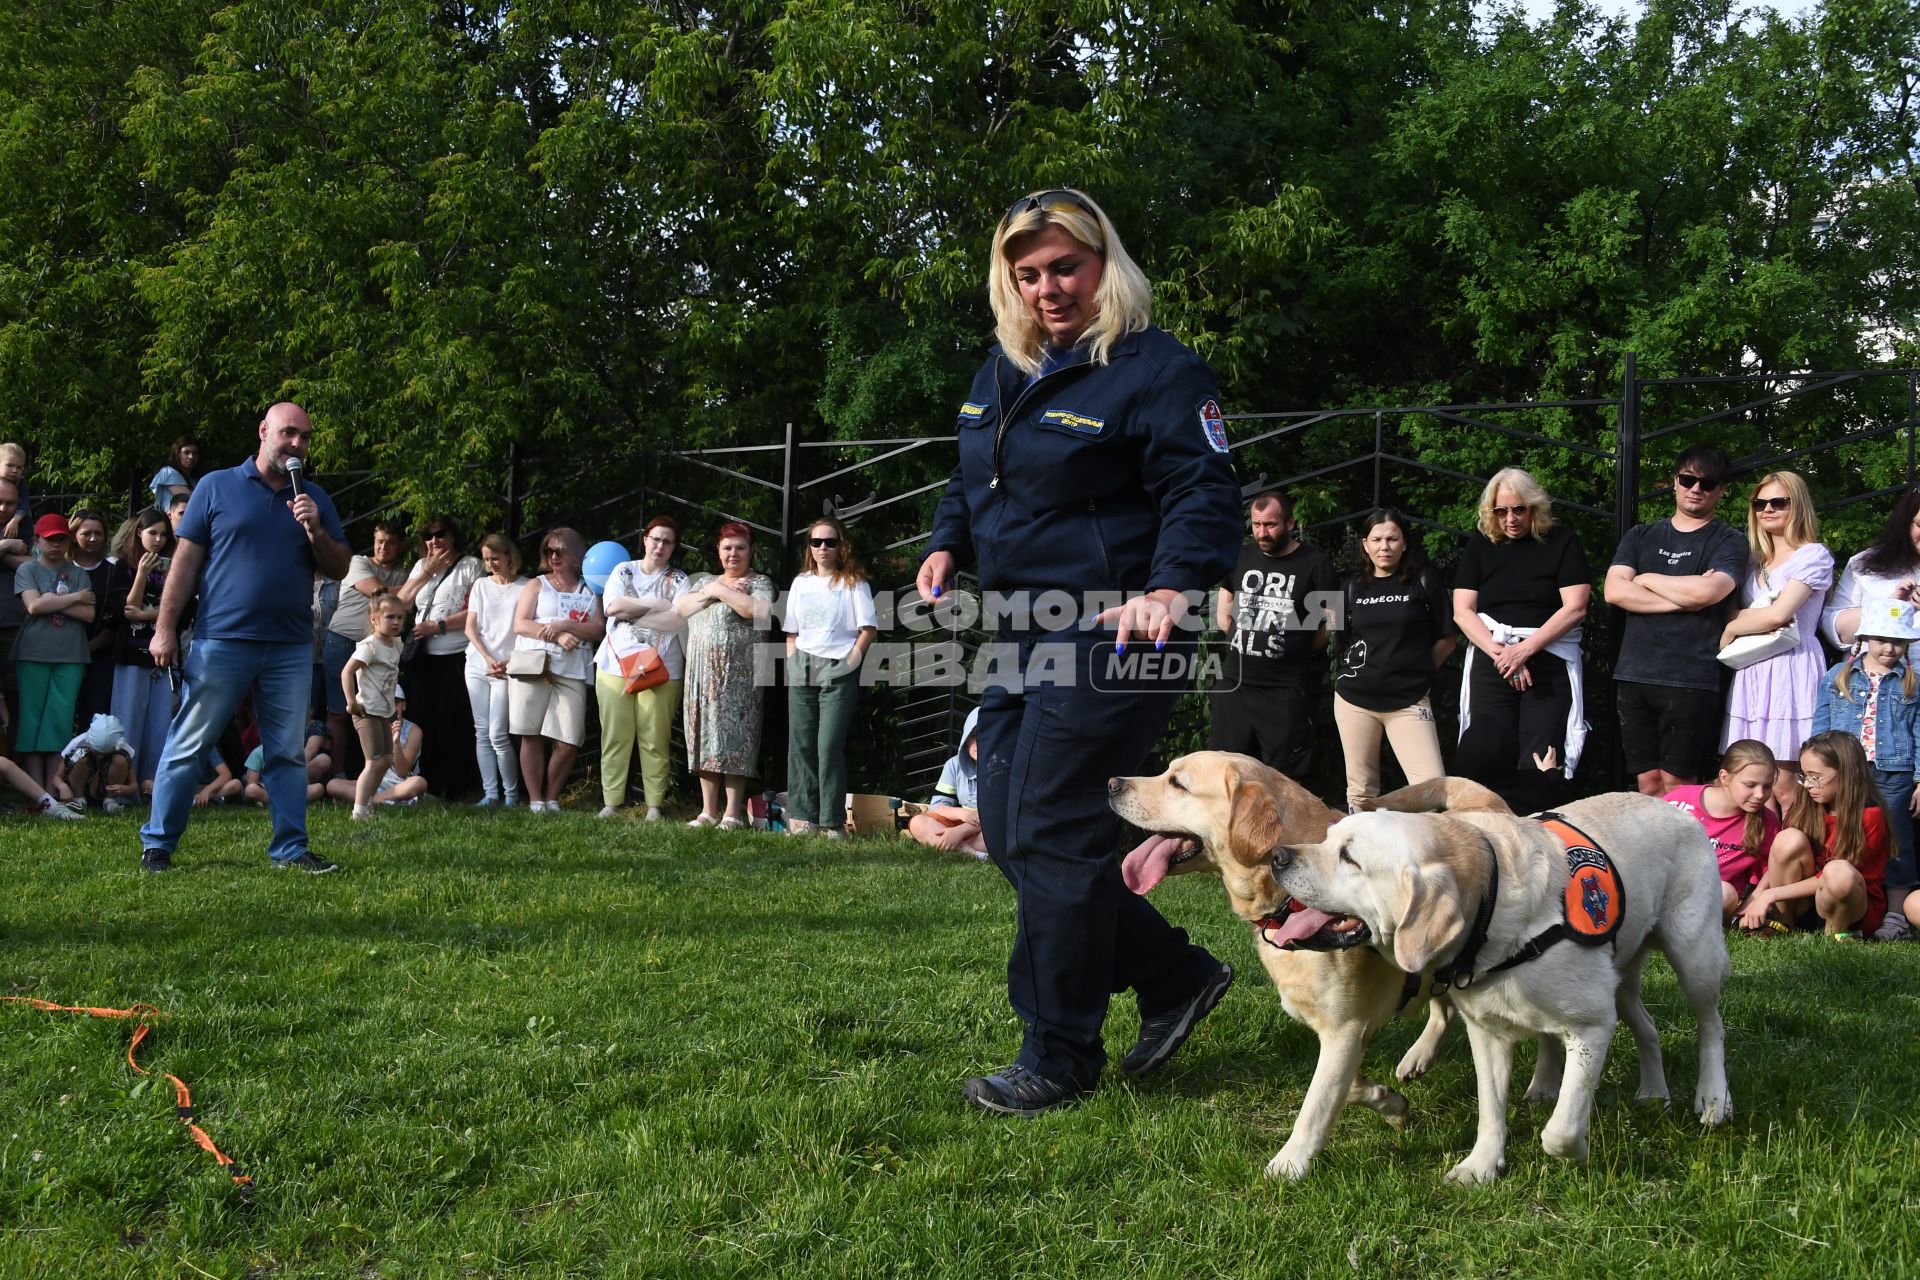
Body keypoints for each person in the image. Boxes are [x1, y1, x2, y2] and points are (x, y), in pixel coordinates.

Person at [917, 188, 1242, 1115]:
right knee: (1012, 832)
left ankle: (1058, 1053)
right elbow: (971, 476)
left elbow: (1203, 487)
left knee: (1052, 826)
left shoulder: (1156, 369)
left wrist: (1172, 586)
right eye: (1028, 274)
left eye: (1066, 267)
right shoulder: (1003, 367)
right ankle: (1174, 973)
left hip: (1118, 632)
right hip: (1020, 633)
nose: (1048, 288)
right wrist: (948, 541)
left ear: (1106, 266)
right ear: (1006, 281)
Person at [137, 401, 351, 874]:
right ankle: (158, 845)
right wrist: (165, 628)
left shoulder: (313, 498)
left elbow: (338, 566)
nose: (296, 444)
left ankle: (291, 849)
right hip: (221, 641)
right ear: (263, 431)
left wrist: (315, 529)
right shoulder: (216, 487)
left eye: (305, 437)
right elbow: (185, 565)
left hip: (291, 645)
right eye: (288, 433)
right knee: (189, 742)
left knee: (287, 754)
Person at [1602, 444, 1748, 795]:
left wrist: (1647, 579)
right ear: (1675, 482)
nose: (1696, 488)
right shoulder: (1641, 535)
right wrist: (1685, 599)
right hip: (1634, 674)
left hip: (1691, 678)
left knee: (1680, 784)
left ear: (1721, 490)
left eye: (1708, 483)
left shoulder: (1729, 540)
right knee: (1648, 782)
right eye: (1688, 479)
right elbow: (1614, 592)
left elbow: (1708, 593)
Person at [1452, 467, 1592, 813]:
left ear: (1534, 507)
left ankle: (1540, 839)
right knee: (1485, 751)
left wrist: (1525, 650)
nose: (1510, 519)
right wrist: (1503, 655)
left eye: (1519, 509)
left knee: (1540, 753)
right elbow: (1462, 611)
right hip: (1493, 656)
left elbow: (1576, 607)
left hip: (1546, 656)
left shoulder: (1562, 541)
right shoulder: (1481, 546)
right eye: (1501, 511)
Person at [1719, 470, 1834, 809]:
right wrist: (1735, 623)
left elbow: (1779, 614)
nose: (1767, 509)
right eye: (1759, 503)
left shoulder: (1813, 555)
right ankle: (1759, 859)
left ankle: (1792, 858)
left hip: (1791, 666)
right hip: (1753, 670)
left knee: (1785, 786)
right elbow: (1736, 613)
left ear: (1797, 506)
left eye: (1778, 502)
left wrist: (1731, 628)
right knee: (1753, 782)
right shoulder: (1752, 562)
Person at [1332, 507, 1456, 812]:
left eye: (1392, 539)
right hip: (1355, 700)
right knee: (1360, 793)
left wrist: (1420, 672)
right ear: (1365, 544)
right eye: (1376, 539)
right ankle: (1363, 856)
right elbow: (1340, 640)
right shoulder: (1348, 586)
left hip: (1408, 702)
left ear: (1404, 543)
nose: (1384, 546)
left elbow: (1448, 638)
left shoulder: (1425, 580)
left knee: (1431, 792)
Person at [1208, 487, 1338, 777]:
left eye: (1270, 525)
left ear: (1290, 524)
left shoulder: (1316, 563)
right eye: (1256, 524)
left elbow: (1330, 624)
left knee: (1282, 781)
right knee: (1224, 774)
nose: (1262, 533)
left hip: (1284, 691)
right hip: (1234, 686)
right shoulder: (1239, 556)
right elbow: (1224, 609)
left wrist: (1298, 648)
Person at [1811, 596, 1920, 941]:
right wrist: (1817, 770)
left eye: (1898, 641)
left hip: (1894, 774)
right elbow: (1821, 728)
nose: (1890, 648)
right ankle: (1844, 905)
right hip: (1847, 773)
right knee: (1845, 835)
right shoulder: (1837, 676)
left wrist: (1919, 779)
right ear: (1864, 639)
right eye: (1882, 639)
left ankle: (1895, 915)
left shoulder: (1911, 683)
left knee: (1897, 842)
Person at [1741, 731, 1889, 939]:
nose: (1808, 784)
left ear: (1847, 773)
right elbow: (1780, 859)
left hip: (1850, 906)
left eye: (1816, 777)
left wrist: (1771, 894)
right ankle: (1782, 923)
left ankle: (1839, 935)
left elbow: (1834, 879)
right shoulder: (1806, 804)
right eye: (1804, 775)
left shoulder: (1870, 816)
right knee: (1787, 839)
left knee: (1839, 871)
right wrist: (1756, 895)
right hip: (1808, 902)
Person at [676, 522, 776, 829]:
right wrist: (715, 591)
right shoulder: (704, 580)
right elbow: (681, 608)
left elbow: (755, 611)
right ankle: (708, 811)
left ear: (751, 551)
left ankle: (732, 813)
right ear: (719, 552)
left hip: (739, 678)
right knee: (704, 738)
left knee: (736, 739)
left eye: (740, 548)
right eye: (727, 548)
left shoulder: (759, 581)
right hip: (701, 677)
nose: (734, 554)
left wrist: (718, 592)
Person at [783, 516, 878, 838]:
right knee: (801, 745)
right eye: (816, 542)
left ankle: (831, 822)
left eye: (830, 542)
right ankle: (802, 819)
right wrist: (793, 661)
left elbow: (868, 629)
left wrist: (850, 662)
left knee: (828, 746)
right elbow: (791, 631)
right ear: (809, 547)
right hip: (803, 667)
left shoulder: (854, 582)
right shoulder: (800, 583)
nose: (823, 548)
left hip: (839, 668)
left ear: (841, 546)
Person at [594, 516, 689, 820]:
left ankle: (654, 806)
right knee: (615, 735)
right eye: (656, 539)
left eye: (667, 541)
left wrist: (633, 611)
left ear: (673, 547)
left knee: (654, 737)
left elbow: (677, 620)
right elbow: (611, 608)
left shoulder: (680, 579)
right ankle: (611, 801)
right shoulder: (624, 570)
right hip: (615, 665)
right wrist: (658, 605)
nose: (660, 546)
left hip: (661, 668)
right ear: (645, 540)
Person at [509, 527, 604, 813]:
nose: (553, 556)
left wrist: (565, 626)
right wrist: (557, 636)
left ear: (575, 554)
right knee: (531, 733)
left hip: (573, 669)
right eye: (548, 551)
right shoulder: (537, 585)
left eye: (559, 551)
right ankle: (537, 800)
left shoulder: (590, 589)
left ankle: (552, 796)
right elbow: (521, 624)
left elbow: (598, 629)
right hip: (535, 665)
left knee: (569, 738)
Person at [1665, 740, 1812, 923]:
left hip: (1712, 898)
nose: (1760, 794)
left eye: (1767, 786)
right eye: (1750, 785)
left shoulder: (1766, 821)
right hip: (1662, 891)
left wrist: (1754, 898)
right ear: (1725, 777)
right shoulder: (1680, 799)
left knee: (1725, 892)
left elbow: (1771, 868)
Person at [13, 514, 96, 794]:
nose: (56, 545)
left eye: (61, 539)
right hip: (32, 653)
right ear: (37, 540)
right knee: (31, 719)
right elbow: (34, 607)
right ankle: (36, 789)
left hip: (71, 655)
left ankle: (52, 786)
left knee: (59, 720)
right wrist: (72, 598)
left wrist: (51, 601)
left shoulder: (79, 573)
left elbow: (88, 614)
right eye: (50, 539)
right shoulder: (27, 571)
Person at [400, 516, 481, 799]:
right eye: (428, 536)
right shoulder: (422, 566)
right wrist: (426, 573)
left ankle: (457, 787)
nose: (433, 541)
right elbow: (401, 603)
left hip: (455, 653)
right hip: (423, 656)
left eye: (439, 534)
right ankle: (425, 784)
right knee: (422, 720)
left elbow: (476, 611)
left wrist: (440, 625)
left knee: (454, 721)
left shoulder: (471, 565)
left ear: (453, 536)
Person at [323, 520, 411, 778]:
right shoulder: (359, 563)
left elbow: (406, 600)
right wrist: (407, 591)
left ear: (400, 546)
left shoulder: (402, 574)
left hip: (378, 648)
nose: (383, 547)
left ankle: (373, 773)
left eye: (390, 542)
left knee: (377, 708)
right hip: (343, 640)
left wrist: (407, 590)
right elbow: (379, 594)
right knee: (340, 710)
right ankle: (338, 773)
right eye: (379, 541)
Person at [106, 509, 176, 794]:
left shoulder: (174, 567)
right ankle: (120, 787)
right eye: (152, 533)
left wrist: (150, 615)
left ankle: (151, 788)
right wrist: (143, 574)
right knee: (128, 720)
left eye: (163, 534)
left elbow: (179, 612)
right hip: (131, 655)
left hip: (164, 657)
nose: (158, 540)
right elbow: (125, 610)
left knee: (160, 723)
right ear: (139, 533)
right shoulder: (123, 566)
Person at [462, 531, 527, 807]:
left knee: (499, 733)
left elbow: (526, 633)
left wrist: (507, 661)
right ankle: (491, 794)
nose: (491, 564)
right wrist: (488, 657)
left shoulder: (526, 587)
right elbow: (470, 627)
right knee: (481, 731)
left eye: (495, 558)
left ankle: (511, 796)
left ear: (509, 556)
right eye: (487, 559)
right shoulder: (480, 586)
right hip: (478, 665)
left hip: (507, 668)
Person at [1824, 489, 1920, 647]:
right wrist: (1890, 605)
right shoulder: (1865, 564)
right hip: (1878, 670)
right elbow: (1837, 633)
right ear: (1905, 522)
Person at [342, 592, 407, 821]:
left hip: (384, 711)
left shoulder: (396, 644)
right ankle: (359, 812)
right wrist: (351, 702)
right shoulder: (369, 647)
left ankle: (368, 802)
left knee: (387, 759)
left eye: (400, 617)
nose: (396, 622)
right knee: (373, 761)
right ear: (374, 619)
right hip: (366, 710)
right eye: (390, 617)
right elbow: (347, 672)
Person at [905, 706, 986, 858]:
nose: (979, 743)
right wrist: (962, 814)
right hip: (962, 823)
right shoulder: (954, 765)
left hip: (987, 828)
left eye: (985, 736)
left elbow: (1002, 813)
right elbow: (938, 806)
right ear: (965, 738)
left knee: (1000, 833)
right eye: (973, 736)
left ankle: (948, 844)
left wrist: (960, 832)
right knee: (917, 822)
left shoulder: (1005, 769)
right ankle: (970, 853)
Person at [325, 690, 428, 808]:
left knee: (419, 782)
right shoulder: (373, 725)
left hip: (401, 784)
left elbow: (402, 772)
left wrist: (396, 742)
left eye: (395, 702)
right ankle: (384, 802)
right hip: (375, 781)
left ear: (403, 705)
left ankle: (369, 799)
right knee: (332, 785)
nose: (390, 707)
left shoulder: (414, 731)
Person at [67, 507, 117, 724]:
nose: (93, 538)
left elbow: (115, 621)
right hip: (61, 654)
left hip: (99, 655)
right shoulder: (62, 568)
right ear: (74, 535)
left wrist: (88, 649)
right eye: (86, 533)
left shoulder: (113, 572)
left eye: (98, 533)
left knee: (94, 717)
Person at [54, 713, 139, 812]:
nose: (100, 757)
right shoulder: (78, 742)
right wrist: (62, 786)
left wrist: (125, 789)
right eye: (97, 753)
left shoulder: (123, 747)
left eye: (105, 754)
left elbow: (134, 784)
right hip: (82, 786)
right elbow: (57, 777)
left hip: (104, 787)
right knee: (80, 755)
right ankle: (79, 798)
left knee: (120, 760)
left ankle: (110, 800)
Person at [0, 475, 30, 736]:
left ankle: (11, 769)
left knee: (16, 699)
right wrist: (7, 546)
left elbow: (35, 564)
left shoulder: (24, 526)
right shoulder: (12, 537)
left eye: (10, 503)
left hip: (14, 628)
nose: (3, 509)